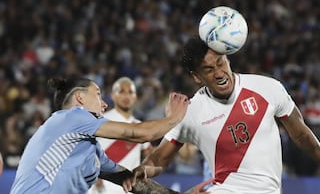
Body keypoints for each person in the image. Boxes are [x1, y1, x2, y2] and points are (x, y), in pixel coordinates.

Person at [129, 36, 320, 194]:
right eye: (208, 69)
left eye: (220, 63)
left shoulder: (267, 88)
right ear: (196, 77)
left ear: (228, 58)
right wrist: (143, 169)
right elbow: (159, 159)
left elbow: (300, 133)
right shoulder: (191, 111)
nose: (219, 73)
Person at [9, 77, 199, 194]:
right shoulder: (70, 117)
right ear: (80, 98)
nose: (104, 104)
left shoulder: (92, 151)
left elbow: (133, 182)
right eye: (98, 95)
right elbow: (139, 133)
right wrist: (174, 118)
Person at [90, 77, 153, 194]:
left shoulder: (140, 126)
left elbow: (149, 155)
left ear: (135, 97)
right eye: (122, 91)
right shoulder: (101, 119)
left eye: (130, 92)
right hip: (102, 186)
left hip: (129, 187)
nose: (126, 96)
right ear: (113, 95)